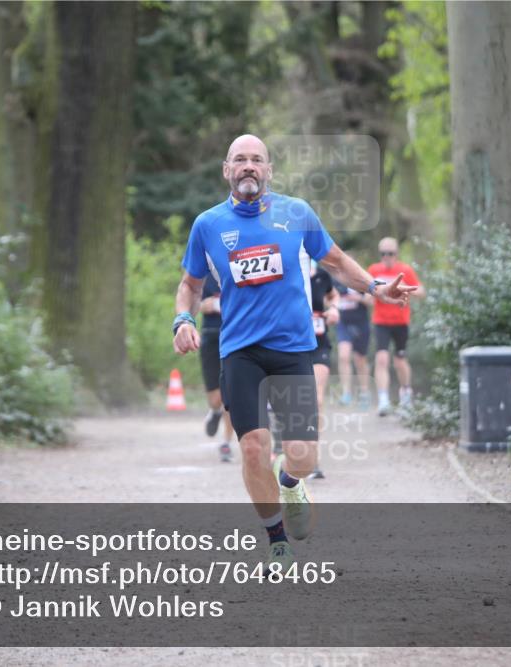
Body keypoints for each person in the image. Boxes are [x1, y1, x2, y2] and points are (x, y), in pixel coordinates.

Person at [173, 135, 417, 571]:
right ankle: (276, 539)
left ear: (269, 171)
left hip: (293, 349)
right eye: (240, 161)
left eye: (257, 161)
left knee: (303, 454)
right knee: (253, 448)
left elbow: (337, 262)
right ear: (226, 170)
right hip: (240, 352)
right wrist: (183, 320)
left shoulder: (296, 213)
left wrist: (378, 288)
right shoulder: (208, 225)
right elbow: (191, 285)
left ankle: (291, 484)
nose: (249, 167)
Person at [368, 237, 425, 416]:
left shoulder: (405, 270)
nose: (387, 257)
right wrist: (371, 295)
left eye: (390, 253)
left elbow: (421, 291)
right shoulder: (373, 270)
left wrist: (404, 288)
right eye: (383, 254)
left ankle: (406, 393)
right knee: (382, 358)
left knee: (400, 360)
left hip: (401, 321)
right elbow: (366, 294)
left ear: (396, 254)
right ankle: (384, 400)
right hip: (381, 321)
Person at [308, 260, 338, 479]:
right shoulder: (284, 270)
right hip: (290, 345)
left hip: (319, 344)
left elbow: (333, 295)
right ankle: (280, 448)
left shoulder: (321, 275)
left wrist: (334, 309)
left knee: (316, 400)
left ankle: (314, 459)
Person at [199, 273, 235, 462]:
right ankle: (215, 411)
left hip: (234, 337)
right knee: (216, 398)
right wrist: (211, 304)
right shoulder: (205, 277)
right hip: (211, 337)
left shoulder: (239, 268)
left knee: (230, 392)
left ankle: (226, 443)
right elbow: (196, 305)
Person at [333, 279, 373, 410]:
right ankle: (346, 393)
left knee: (359, 359)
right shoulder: (335, 281)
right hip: (343, 323)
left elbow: (370, 301)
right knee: (344, 356)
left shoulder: (361, 280)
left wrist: (355, 297)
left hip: (360, 324)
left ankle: (364, 392)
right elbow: (327, 299)